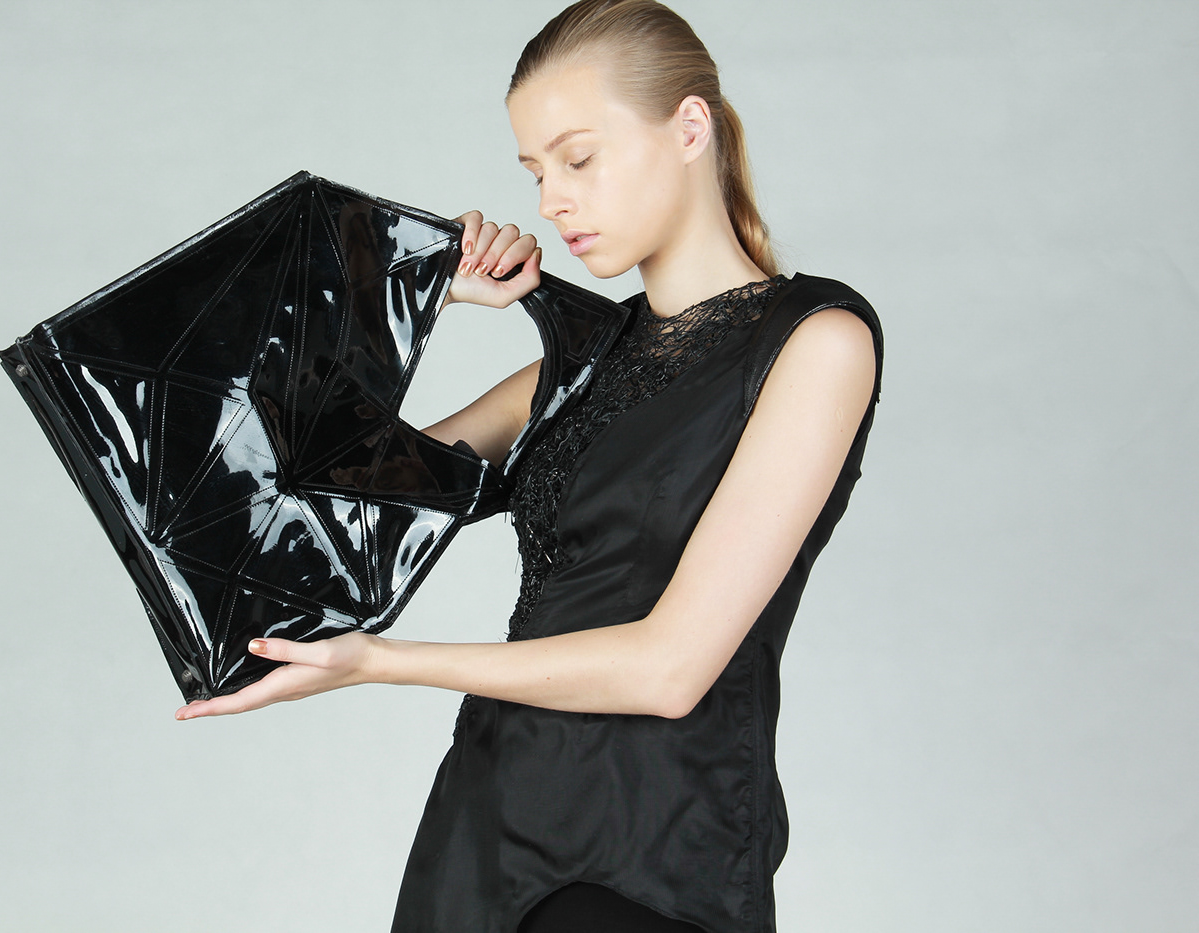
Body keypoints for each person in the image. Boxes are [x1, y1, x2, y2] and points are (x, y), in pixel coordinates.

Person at [174, 1, 884, 930]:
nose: (551, 201)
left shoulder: (814, 342)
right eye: (536, 172)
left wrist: (379, 662)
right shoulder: (573, 366)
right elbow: (317, 499)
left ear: (689, 128)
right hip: (482, 837)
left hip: (646, 858)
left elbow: (671, 667)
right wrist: (408, 296)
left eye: (578, 159)